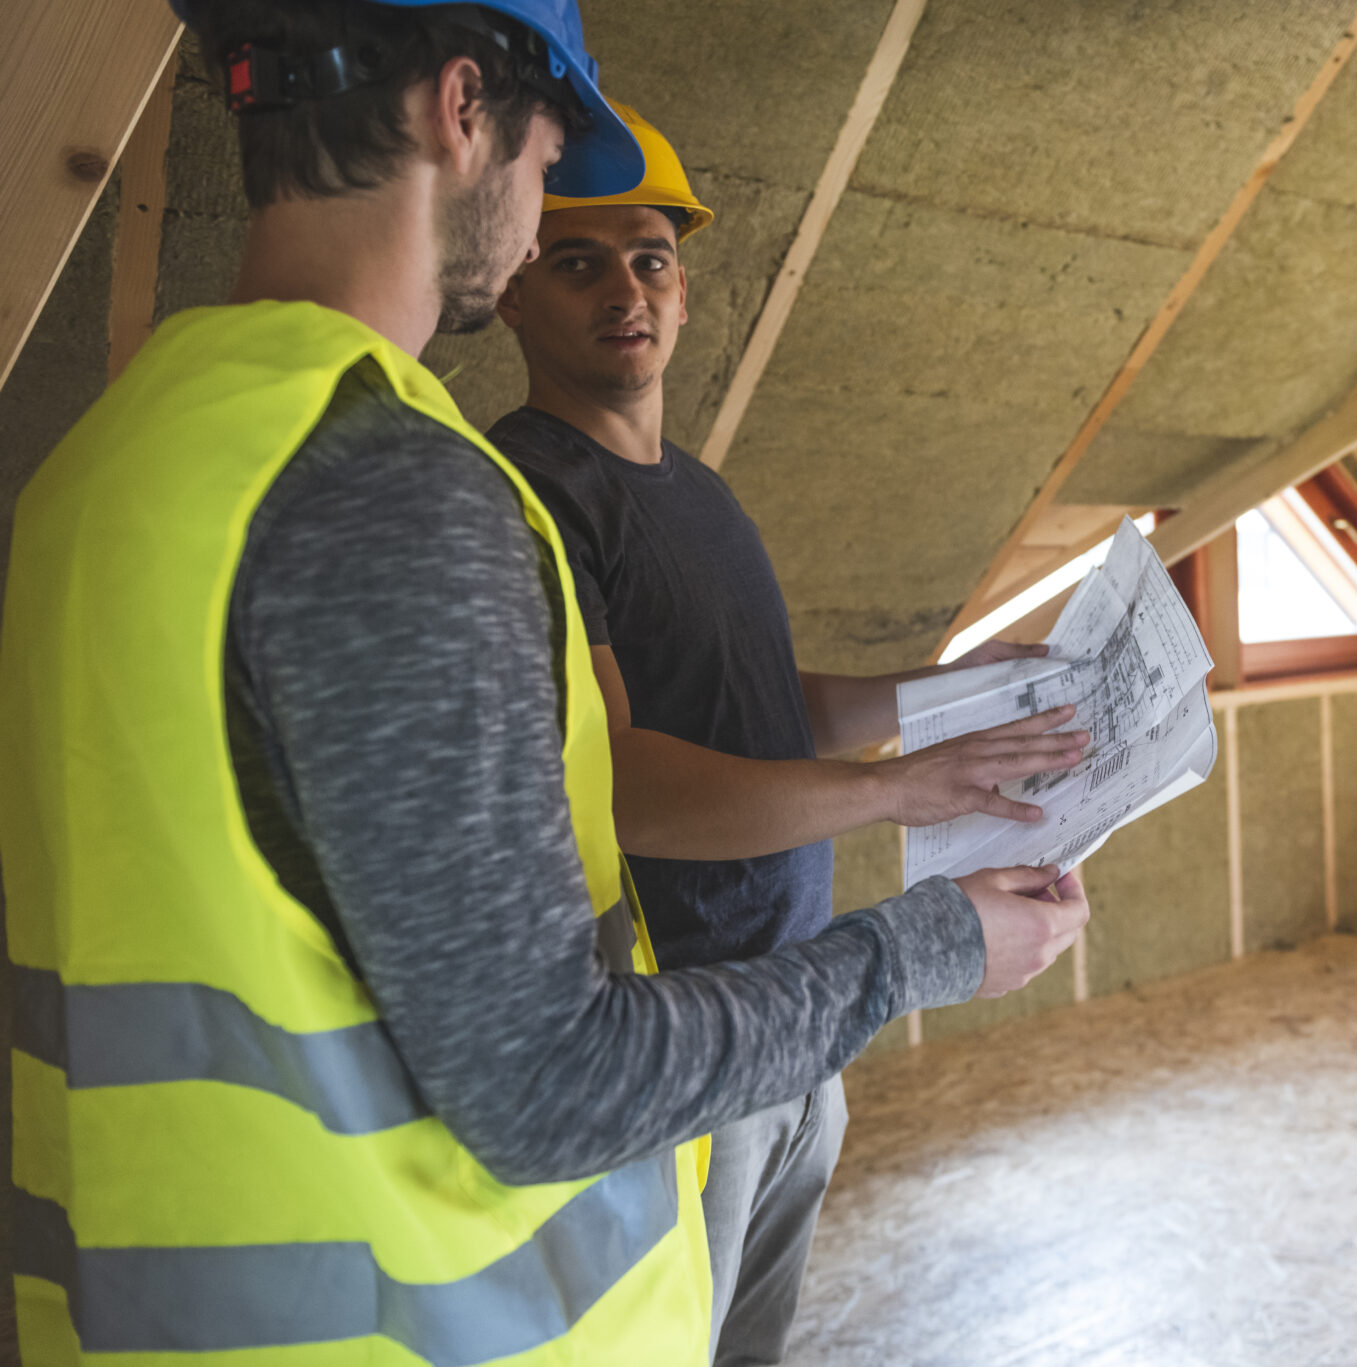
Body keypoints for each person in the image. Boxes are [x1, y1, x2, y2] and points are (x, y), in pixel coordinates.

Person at [0, 4, 1087, 1364]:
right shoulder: (392, 491)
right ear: (464, 110)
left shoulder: (97, 466)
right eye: (552, 144)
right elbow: (549, 1084)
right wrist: (929, 946)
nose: (550, 191)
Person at [487, 103, 1087, 1366]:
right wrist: (897, 793)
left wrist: (945, 696)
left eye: (648, 258)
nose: (623, 290)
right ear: (511, 294)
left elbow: (777, 709)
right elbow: (626, 786)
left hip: (796, 1010)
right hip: (678, 1029)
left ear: (687, 292)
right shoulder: (532, 488)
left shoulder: (693, 490)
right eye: (577, 260)